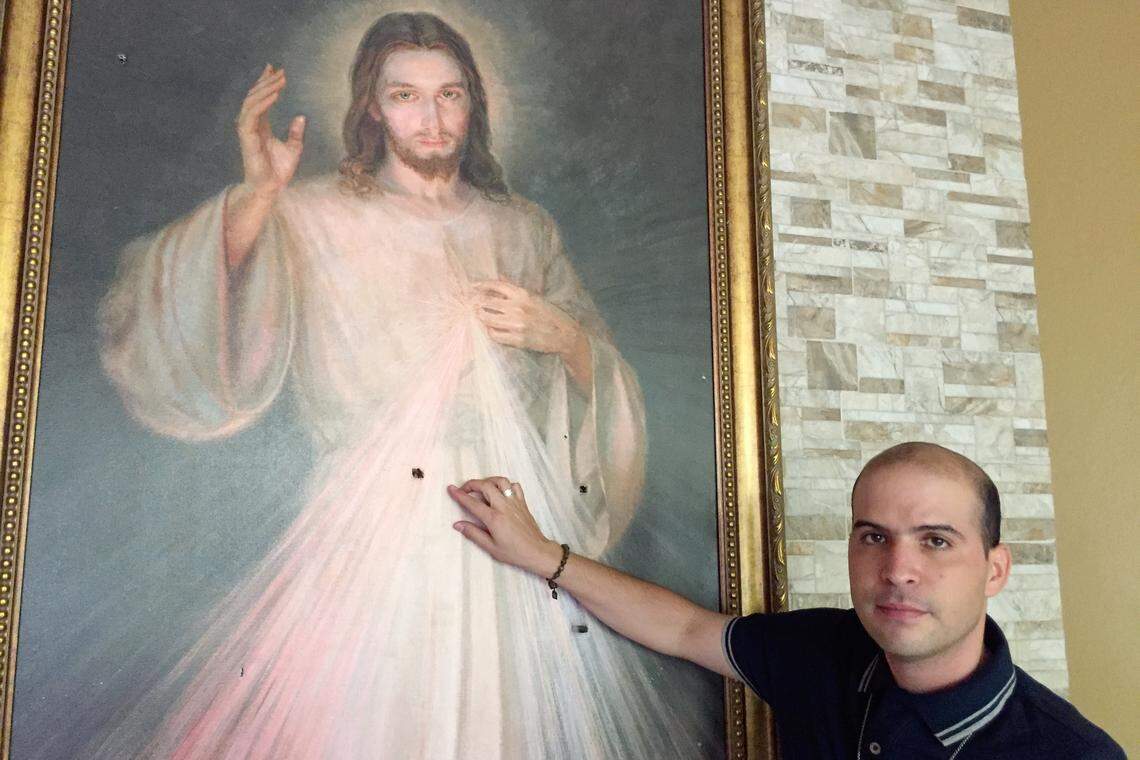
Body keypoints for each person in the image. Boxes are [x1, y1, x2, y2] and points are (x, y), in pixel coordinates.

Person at [97, 12, 711, 760]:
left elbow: (603, 383)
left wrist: (566, 339)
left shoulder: (522, 229)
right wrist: (257, 196)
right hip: (365, 521)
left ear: (474, 102)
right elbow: (180, 316)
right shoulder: (311, 213)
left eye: (449, 94)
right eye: (405, 96)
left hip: (510, 521)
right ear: (373, 108)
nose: (432, 117)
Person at [450, 441, 1126, 758]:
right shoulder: (827, 651)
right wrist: (543, 556)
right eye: (874, 537)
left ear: (995, 569)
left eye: (936, 541)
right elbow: (684, 629)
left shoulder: (1071, 754)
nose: (898, 570)